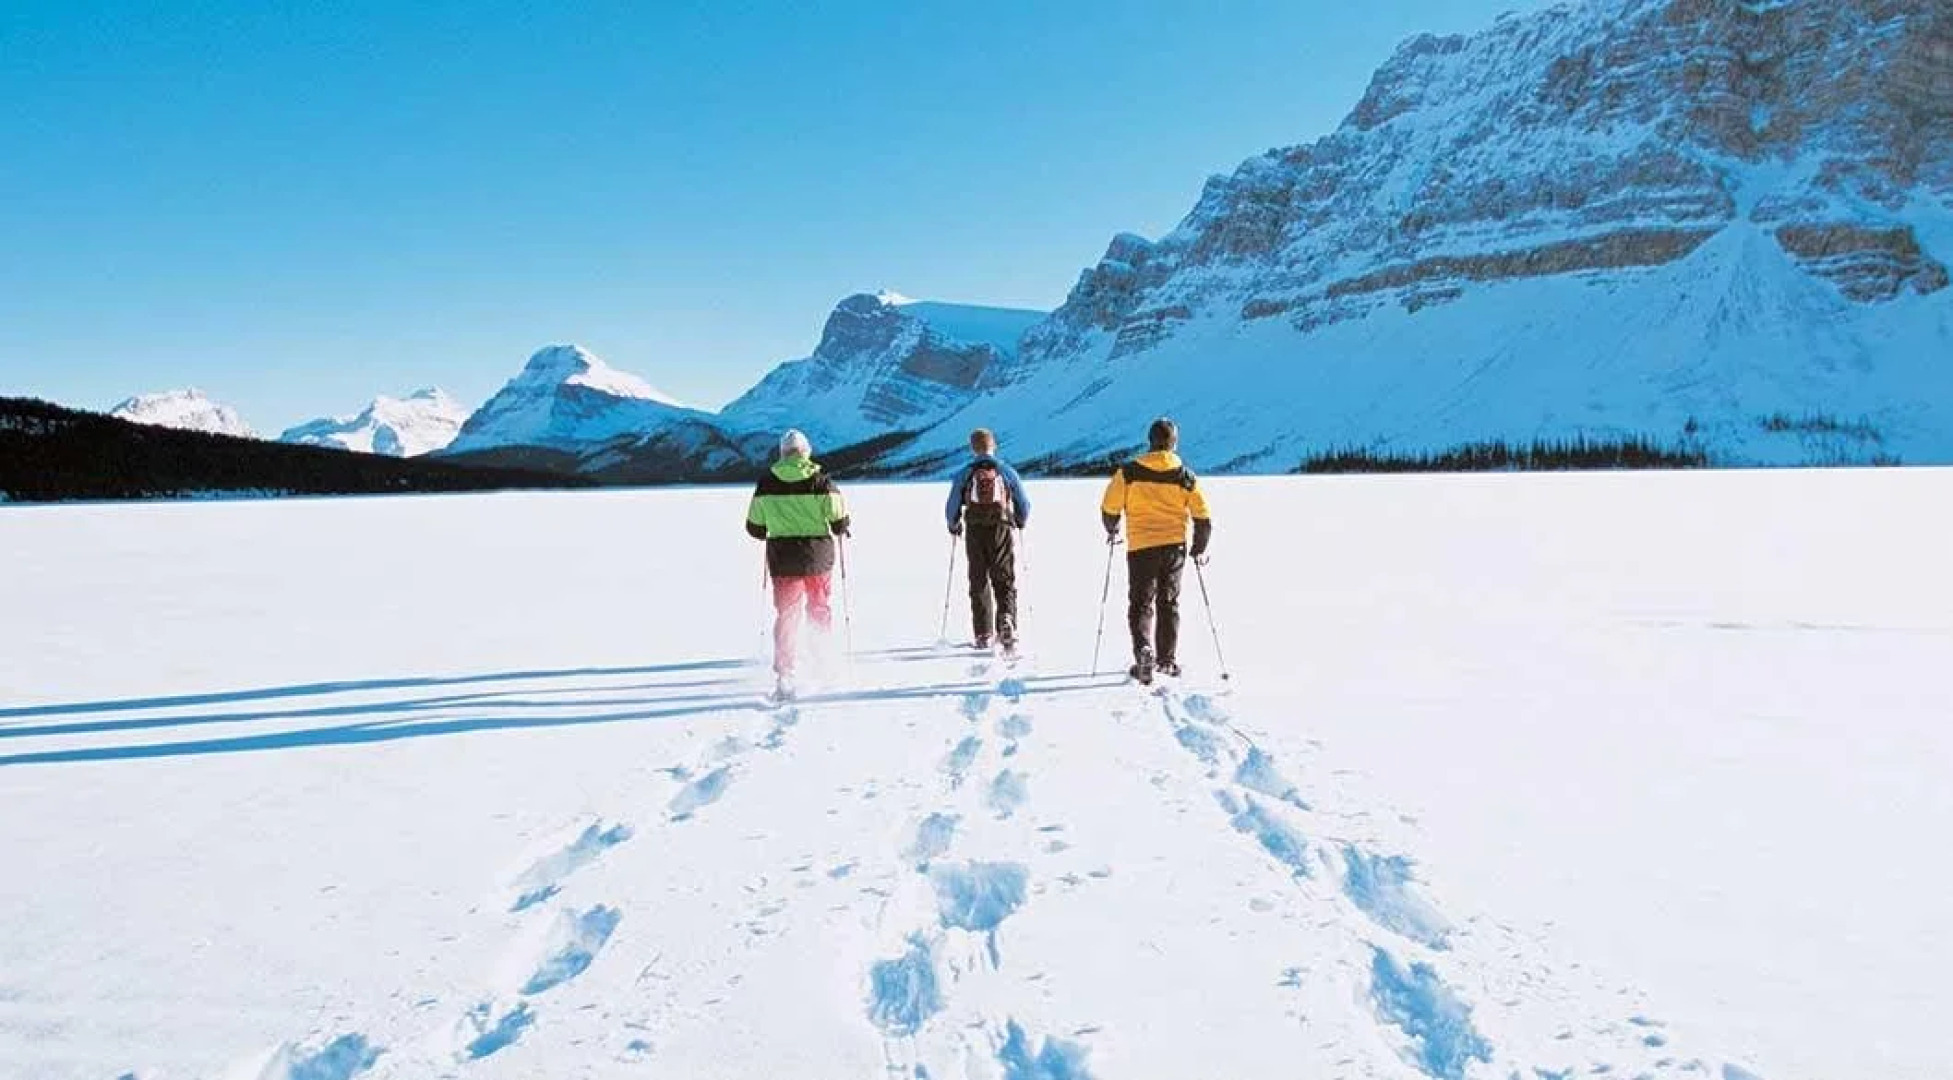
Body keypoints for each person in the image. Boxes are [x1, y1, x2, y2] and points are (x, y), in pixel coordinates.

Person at [1100, 417, 1212, 684]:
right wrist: (1199, 548)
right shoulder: (1185, 476)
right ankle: (1167, 661)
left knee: (1140, 603)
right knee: (1169, 603)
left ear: (1150, 441)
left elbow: (1109, 507)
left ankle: (1143, 652)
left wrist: (1112, 528)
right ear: (1173, 443)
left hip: (1141, 547)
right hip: (1174, 547)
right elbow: (1203, 517)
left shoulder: (1129, 472)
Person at [745, 429, 851, 698]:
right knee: (819, 609)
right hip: (817, 556)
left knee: (787, 615)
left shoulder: (766, 483)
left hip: (783, 558)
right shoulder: (822, 481)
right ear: (806, 452)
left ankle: (785, 673)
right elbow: (839, 521)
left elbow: (755, 528)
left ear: (782, 453)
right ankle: (823, 663)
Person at [945, 428, 1032, 653]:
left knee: (978, 580)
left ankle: (983, 633)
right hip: (1000, 528)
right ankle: (1007, 621)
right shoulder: (1005, 471)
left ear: (973, 448)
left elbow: (952, 504)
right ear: (994, 446)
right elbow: (1024, 502)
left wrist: (954, 525)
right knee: (1004, 579)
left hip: (974, 530)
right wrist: (1020, 520)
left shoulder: (965, 472)